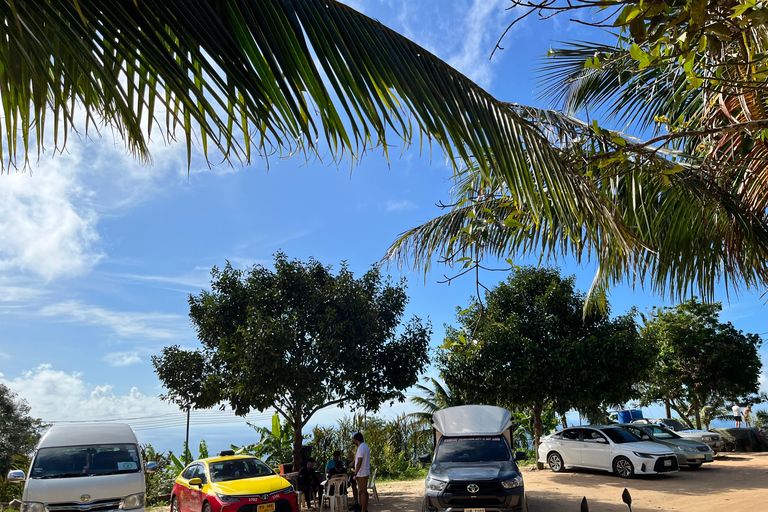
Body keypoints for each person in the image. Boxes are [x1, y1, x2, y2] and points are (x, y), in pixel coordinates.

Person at [352, 433, 371, 512]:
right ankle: (364, 508)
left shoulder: (360, 448)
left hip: (361, 472)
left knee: (362, 491)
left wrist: (356, 473)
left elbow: (359, 461)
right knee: (364, 491)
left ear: (356, 440)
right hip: (365, 471)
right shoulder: (366, 447)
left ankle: (363, 509)